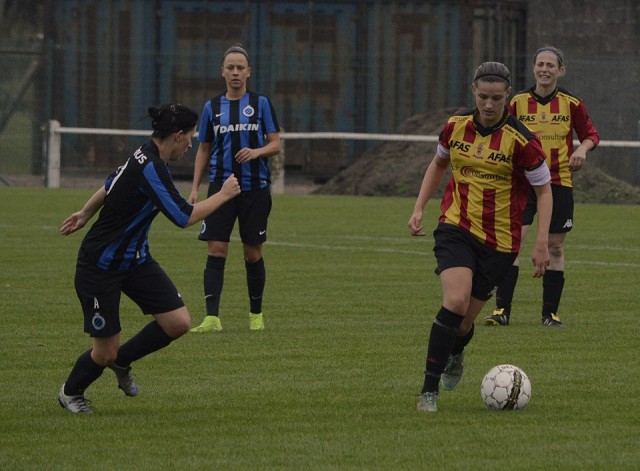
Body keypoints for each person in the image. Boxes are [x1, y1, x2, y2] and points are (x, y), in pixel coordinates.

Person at [58, 104, 241, 414]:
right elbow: (184, 217)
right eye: (190, 138)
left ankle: (123, 361)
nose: (191, 145)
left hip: (135, 261)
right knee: (103, 352)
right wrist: (223, 195)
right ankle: (71, 392)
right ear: (178, 135)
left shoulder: (144, 154)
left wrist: (85, 213)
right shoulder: (151, 168)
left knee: (178, 322)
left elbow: (111, 181)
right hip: (100, 266)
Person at [407, 62, 552, 413]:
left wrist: (542, 242)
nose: (489, 105)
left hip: (500, 243)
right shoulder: (455, 127)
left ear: (507, 97)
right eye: (483, 97)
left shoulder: (523, 142)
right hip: (456, 227)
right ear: (474, 91)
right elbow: (439, 164)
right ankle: (428, 391)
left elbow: (545, 192)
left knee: (464, 323)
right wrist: (418, 207)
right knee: (454, 302)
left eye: (497, 99)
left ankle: (456, 352)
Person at [484, 46, 599, 328]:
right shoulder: (518, 102)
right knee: (514, 243)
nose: (544, 69)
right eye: (540, 64)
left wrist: (582, 150)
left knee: (556, 247)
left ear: (560, 70)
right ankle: (502, 311)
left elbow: (591, 135)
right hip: (522, 183)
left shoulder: (572, 103)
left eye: (550, 65)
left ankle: (550, 314)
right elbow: (498, 131)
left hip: (559, 182)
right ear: (534, 68)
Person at [189, 43, 281, 333]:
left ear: (249, 72)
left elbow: (276, 143)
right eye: (230, 67)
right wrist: (194, 189)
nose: (235, 72)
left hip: (255, 187)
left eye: (240, 67)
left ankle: (256, 315)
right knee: (216, 249)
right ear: (222, 72)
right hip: (220, 188)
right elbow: (203, 148)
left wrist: (257, 152)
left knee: (252, 253)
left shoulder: (261, 103)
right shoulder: (211, 108)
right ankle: (212, 317)